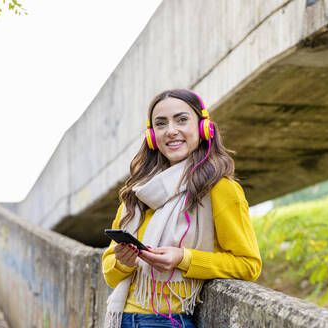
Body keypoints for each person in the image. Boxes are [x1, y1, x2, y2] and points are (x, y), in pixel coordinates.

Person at [102, 89, 262, 328]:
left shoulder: (219, 188)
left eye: (182, 119)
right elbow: (109, 273)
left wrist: (183, 259)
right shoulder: (138, 192)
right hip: (121, 318)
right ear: (152, 135)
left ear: (203, 127)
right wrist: (124, 262)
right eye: (161, 123)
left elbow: (248, 265)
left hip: (167, 322)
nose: (171, 130)